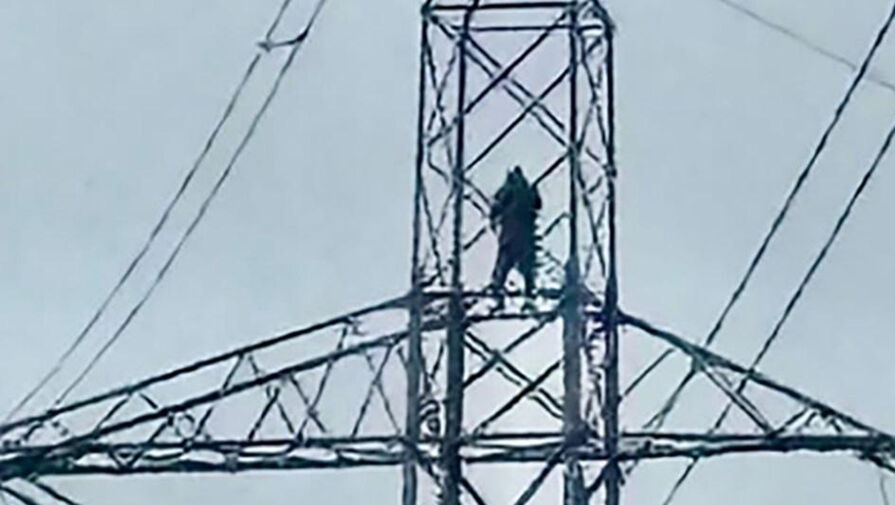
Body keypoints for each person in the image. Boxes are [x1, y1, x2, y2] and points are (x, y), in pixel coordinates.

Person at [489, 166, 541, 303]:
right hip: (525, 237)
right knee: (526, 266)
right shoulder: (527, 190)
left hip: (512, 236)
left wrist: (494, 215)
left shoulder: (508, 190)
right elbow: (537, 204)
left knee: (505, 263)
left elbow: (496, 208)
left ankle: (498, 289)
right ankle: (529, 290)